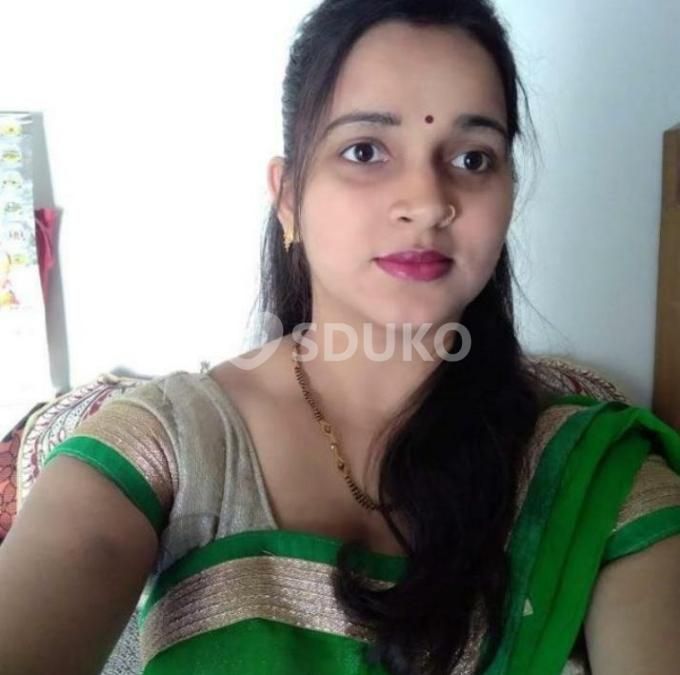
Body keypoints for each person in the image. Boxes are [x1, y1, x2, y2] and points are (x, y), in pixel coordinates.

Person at [1, 1, 680, 674]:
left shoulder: (598, 478)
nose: (427, 201)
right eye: (365, 151)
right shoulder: (165, 446)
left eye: (473, 158)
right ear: (288, 196)